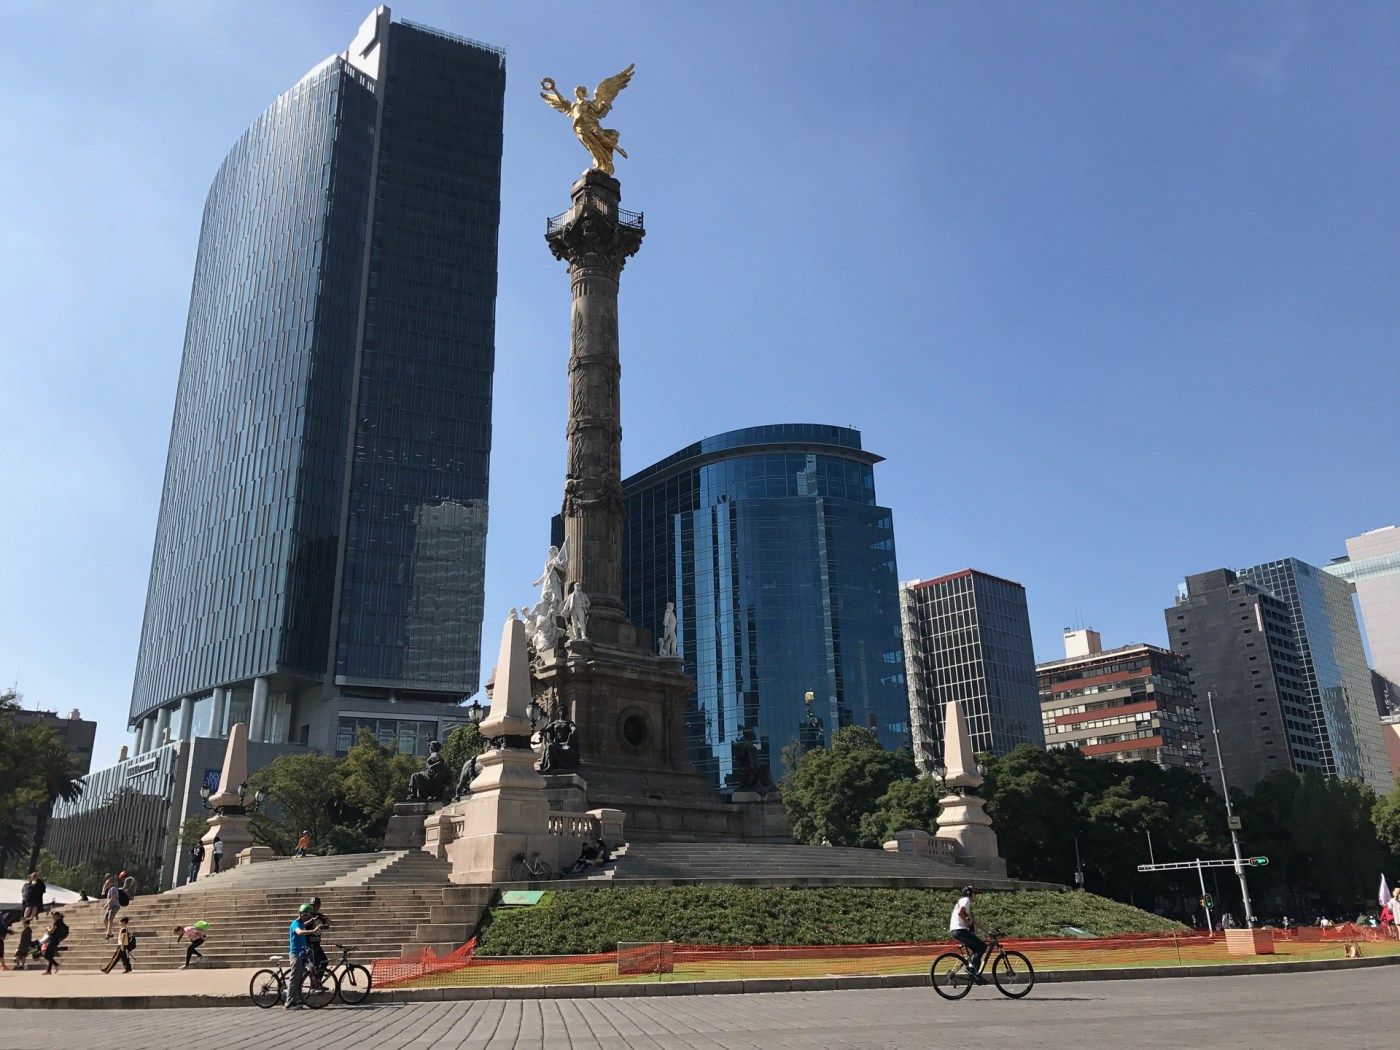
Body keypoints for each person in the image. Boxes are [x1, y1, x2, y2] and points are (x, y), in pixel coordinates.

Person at [949, 886, 986, 983]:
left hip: (956, 931)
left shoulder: (966, 905)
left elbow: (975, 922)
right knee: (982, 946)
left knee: (977, 949)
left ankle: (975, 975)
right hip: (960, 930)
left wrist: (988, 932)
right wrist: (966, 922)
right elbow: (960, 913)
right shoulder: (966, 900)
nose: (976, 896)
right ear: (970, 894)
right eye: (975, 893)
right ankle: (971, 968)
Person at [285, 905, 315, 1009]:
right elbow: (299, 932)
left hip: (302, 954)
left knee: (299, 978)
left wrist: (312, 921)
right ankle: (288, 1003)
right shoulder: (295, 924)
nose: (307, 916)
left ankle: (296, 1000)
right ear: (300, 913)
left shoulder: (301, 923)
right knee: (294, 979)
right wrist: (313, 931)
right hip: (296, 955)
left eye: (309, 915)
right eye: (305, 914)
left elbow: (303, 925)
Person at [303, 897, 330, 975]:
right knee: (314, 965)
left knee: (324, 962)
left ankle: (318, 982)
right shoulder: (307, 915)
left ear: (319, 906)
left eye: (316, 906)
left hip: (317, 944)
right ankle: (314, 984)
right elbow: (300, 925)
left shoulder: (320, 916)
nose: (314, 908)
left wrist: (326, 922)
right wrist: (311, 921)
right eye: (312, 906)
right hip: (309, 944)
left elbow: (327, 926)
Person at [42, 910, 68, 974]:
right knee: (50, 955)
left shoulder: (56, 922)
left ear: (57, 916)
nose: (53, 918)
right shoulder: (61, 922)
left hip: (53, 940)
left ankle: (56, 965)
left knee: (46, 955)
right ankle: (48, 971)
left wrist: (47, 928)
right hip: (56, 940)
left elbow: (50, 932)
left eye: (54, 916)